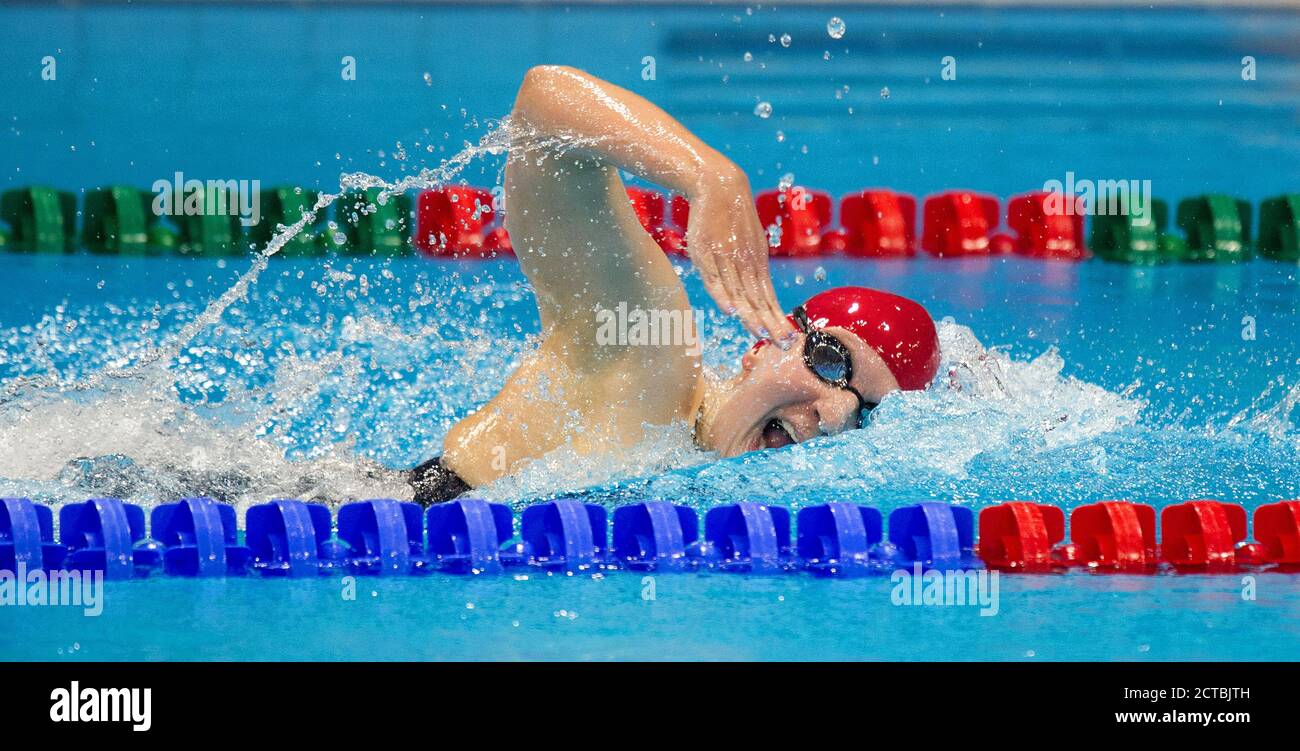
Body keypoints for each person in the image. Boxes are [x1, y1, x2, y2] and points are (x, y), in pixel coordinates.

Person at [410, 65, 940, 504]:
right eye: (832, 361)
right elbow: (545, 102)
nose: (835, 414)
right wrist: (709, 176)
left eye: (868, 413)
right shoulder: (649, 360)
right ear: (766, 343)